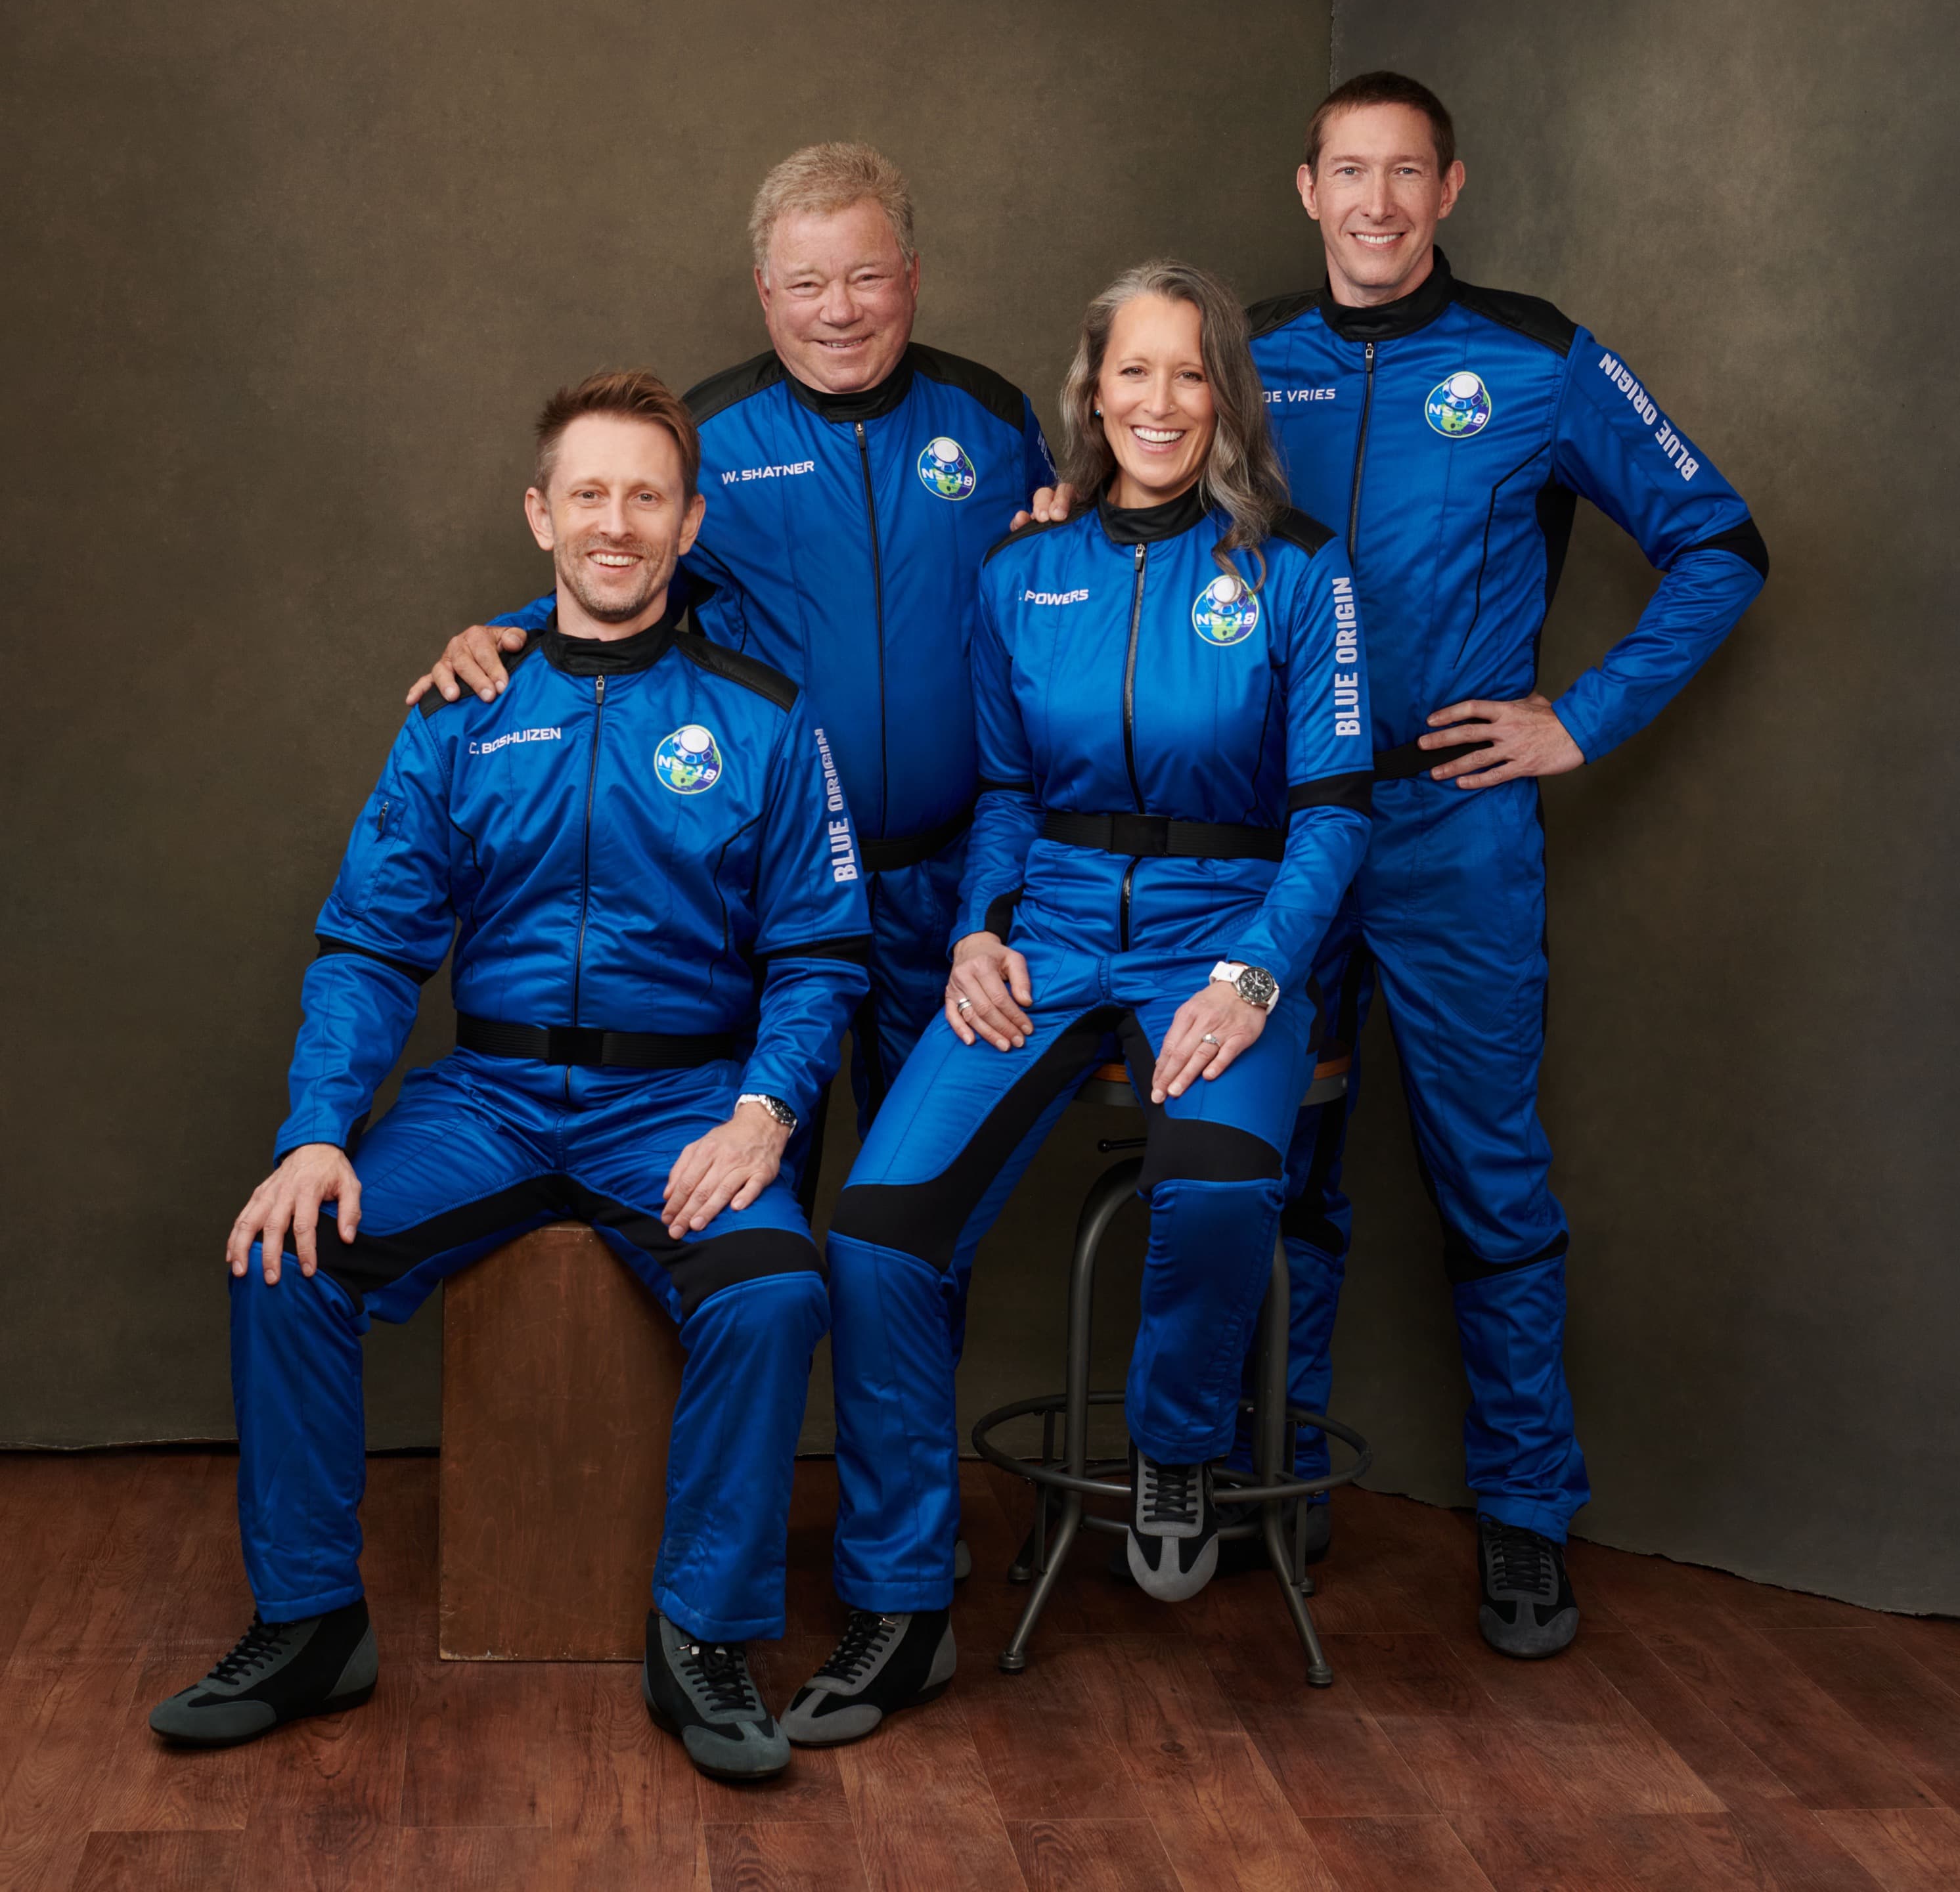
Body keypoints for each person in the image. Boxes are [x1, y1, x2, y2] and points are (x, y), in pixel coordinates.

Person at [1027, 73, 1768, 1658]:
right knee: (1262, 1166)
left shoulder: (1535, 359)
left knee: (1488, 1178)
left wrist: (1583, 716)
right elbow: (1122, 509)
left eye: (1405, 175)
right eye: (1347, 172)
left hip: (1446, 829)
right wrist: (1063, 508)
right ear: (1306, 187)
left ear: (1450, 191)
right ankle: (1255, 1481)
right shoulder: (1251, 364)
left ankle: (1522, 1521)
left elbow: (1722, 539)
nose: (1375, 203)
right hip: (1268, 835)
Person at [146, 370, 870, 1783]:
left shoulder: (768, 721)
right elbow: (367, 946)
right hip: (487, 1102)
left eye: (646, 496)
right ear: (540, 515)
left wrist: (764, 1112)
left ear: (690, 519)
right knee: (283, 1260)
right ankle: (308, 1627)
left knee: (778, 1291)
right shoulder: (463, 706)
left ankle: (701, 1640)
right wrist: (313, 1133)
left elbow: (823, 958)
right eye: (588, 495)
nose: (617, 524)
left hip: (678, 1104)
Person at [773, 260, 1373, 1747]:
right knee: (877, 1231)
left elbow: (1340, 815)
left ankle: (1180, 1448)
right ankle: (903, 1607)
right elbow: (1005, 791)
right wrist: (978, 929)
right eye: (1133, 374)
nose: (1159, 403)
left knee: (1224, 1186)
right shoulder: (1022, 573)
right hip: (1047, 935)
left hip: (1222, 931)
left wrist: (1252, 974)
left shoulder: (1298, 568)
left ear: (1223, 397)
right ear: (1089, 396)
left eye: (1190, 375)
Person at [411, 144, 1057, 1156]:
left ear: (913, 278)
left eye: (866, 276)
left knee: (921, 1214)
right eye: (806, 283)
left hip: (950, 882)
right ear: (766, 294)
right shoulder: (713, 433)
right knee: (752, 1183)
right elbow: (620, 560)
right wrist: (505, 632)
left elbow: (1078, 584)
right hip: (770, 894)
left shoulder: (995, 421)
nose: (838, 309)